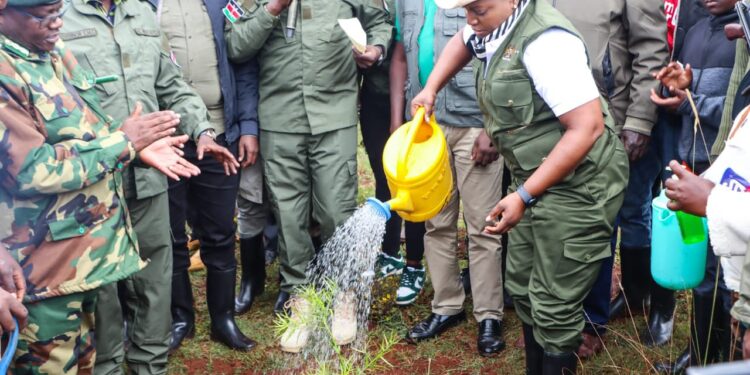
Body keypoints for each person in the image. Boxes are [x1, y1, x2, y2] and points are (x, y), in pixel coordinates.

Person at [411, 0, 629, 372]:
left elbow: (587, 127)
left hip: (580, 186)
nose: (469, 19)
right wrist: (432, 87)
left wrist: (524, 195)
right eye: (465, 10)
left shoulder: (547, 43)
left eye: (477, 9)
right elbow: (463, 41)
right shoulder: (493, 25)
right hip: (535, 181)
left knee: (555, 304)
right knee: (524, 287)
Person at [0, 0, 200, 371]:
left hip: (82, 259)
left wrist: (137, 148)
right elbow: (31, 169)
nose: (58, 24)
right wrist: (124, 143)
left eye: (59, 12)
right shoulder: (6, 71)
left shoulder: (51, 53)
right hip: (40, 272)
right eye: (44, 16)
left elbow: (89, 127)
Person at [61, 0, 239, 372]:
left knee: (154, 285)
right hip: (94, 187)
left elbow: (169, 82)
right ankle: (107, 366)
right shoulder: (55, 15)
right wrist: (120, 143)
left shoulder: (140, 12)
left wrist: (202, 130)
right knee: (103, 294)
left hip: (149, 182)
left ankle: (150, 366)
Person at [225, 0, 392, 353]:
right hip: (279, 115)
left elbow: (379, 21)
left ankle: (343, 295)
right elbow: (237, 45)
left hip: (334, 113)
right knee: (288, 213)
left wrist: (375, 50)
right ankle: (300, 296)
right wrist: (273, 8)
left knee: (336, 208)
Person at [550, 0, 670, 356]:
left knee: (600, 220)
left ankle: (592, 320)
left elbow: (651, 48)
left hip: (607, 122)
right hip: (550, 118)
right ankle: (558, 311)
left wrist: (639, 120)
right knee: (560, 217)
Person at [391, 0, 506, 356]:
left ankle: (489, 315)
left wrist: (492, 126)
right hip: (426, 125)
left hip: (473, 123)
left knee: (483, 224)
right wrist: (400, 118)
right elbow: (400, 52)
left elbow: (500, 57)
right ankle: (447, 306)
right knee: (436, 222)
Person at [158, 0, 260, 352]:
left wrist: (248, 125)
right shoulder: (142, 6)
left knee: (219, 231)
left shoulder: (221, 3)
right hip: (165, 141)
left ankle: (223, 320)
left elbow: (242, 65)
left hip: (218, 134)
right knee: (171, 234)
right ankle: (180, 319)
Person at [650, 0, 740, 370]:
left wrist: (690, 102)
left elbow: (739, 111)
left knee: (725, 271)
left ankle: (724, 358)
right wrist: (679, 90)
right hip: (695, 163)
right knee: (706, 268)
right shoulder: (700, 29)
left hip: (730, 169)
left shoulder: (742, 36)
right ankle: (701, 356)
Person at [359, 0, 429, 308]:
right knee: (384, 178)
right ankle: (389, 254)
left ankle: (414, 263)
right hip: (377, 98)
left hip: (420, 98)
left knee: (413, 184)